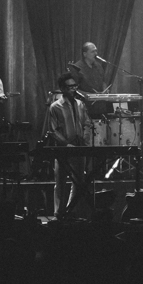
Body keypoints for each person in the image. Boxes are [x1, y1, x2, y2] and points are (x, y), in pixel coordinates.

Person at [48, 72, 91, 218]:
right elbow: (53, 130)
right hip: (64, 149)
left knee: (79, 181)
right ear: (62, 88)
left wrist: (84, 140)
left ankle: (71, 211)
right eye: (70, 86)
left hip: (79, 148)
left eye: (75, 86)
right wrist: (66, 145)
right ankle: (59, 212)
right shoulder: (55, 107)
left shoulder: (80, 104)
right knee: (60, 181)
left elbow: (86, 123)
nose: (74, 89)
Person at [71, 41, 110, 116]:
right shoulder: (77, 68)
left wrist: (105, 90)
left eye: (96, 51)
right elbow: (74, 89)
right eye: (92, 51)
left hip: (101, 107)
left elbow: (103, 81)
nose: (96, 54)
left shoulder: (98, 66)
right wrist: (87, 95)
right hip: (85, 107)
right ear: (85, 54)